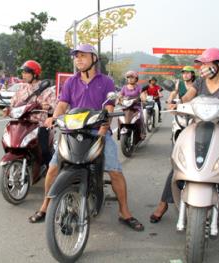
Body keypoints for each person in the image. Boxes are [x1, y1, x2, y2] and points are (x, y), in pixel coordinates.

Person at [28, 44, 144, 231]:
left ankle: (125, 212)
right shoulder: (71, 82)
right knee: (52, 168)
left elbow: (108, 108)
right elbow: (62, 104)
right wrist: (54, 118)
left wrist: (103, 130)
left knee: (114, 171)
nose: (78, 59)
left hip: (97, 131)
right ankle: (45, 206)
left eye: (83, 56)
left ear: (94, 58)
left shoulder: (106, 81)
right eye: (76, 56)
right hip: (72, 132)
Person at [150, 48, 219, 234]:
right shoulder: (199, 82)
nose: (202, 68)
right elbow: (187, 97)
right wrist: (177, 103)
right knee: (179, 164)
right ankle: (164, 203)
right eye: (201, 65)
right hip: (197, 128)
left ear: (217, 65)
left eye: (206, 64)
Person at [4, 60, 57, 166]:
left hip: (39, 124)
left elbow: (55, 106)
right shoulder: (21, 88)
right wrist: (8, 109)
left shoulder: (46, 90)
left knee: (45, 151)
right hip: (21, 123)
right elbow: (13, 103)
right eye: (22, 72)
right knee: (10, 143)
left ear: (35, 74)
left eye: (26, 72)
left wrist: (47, 106)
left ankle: (51, 173)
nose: (23, 75)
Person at [119, 70, 146, 139]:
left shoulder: (139, 87)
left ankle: (142, 133)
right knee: (119, 117)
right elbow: (120, 95)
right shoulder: (124, 87)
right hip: (126, 107)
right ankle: (120, 132)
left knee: (141, 118)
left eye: (132, 77)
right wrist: (118, 100)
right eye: (128, 78)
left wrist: (143, 99)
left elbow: (142, 94)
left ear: (136, 79)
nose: (130, 79)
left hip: (136, 107)